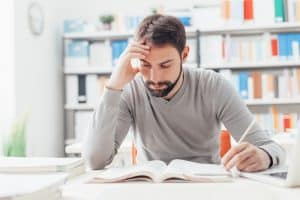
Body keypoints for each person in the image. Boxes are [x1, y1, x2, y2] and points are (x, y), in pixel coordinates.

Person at [83, 14, 285, 171]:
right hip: (151, 190)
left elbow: (271, 147)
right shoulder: (130, 90)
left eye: (165, 64)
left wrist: (264, 156)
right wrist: (113, 86)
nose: (153, 77)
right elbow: (95, 161)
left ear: (184, 54)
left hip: (206, 189)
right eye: (145, 64)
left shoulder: (213, 85)